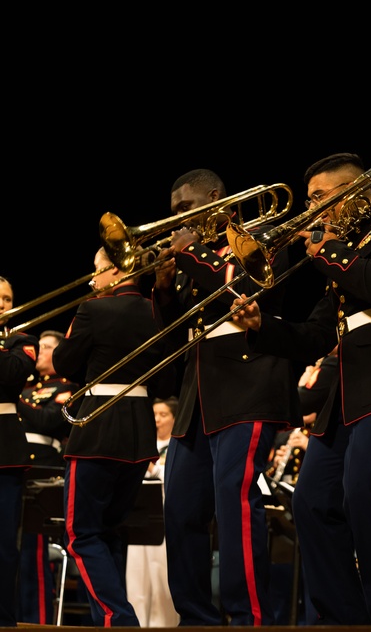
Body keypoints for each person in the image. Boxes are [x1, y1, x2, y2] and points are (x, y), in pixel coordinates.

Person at [231, 151, 371, 625]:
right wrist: (260, 324)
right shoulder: (346, 251)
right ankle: (340, 618)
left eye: (318, 198)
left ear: (356, 192)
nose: (309, 210)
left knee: (363, 492)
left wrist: (328, 250)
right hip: (350, 391)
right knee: (311, 501)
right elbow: (315, 335)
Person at [153, 168, 301, 626]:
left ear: (216, 199)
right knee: (179, 509)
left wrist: (188, 254)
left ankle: (246, 618)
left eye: (184, 209)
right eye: (174, 211)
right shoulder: (188, 260)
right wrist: (161, 288)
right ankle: (196, 617)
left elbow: (238, 287)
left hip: (247, 382)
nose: (176, 220)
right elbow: (170, 337)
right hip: (197, 394)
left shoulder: (255, 235)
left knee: (233, 503)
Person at [50, 248, 173, 627]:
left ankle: (116, 619)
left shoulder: (94, 309)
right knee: (109, 531)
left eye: (98, 270)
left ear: (119, 269)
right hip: (138, 429)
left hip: (98, 426)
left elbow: (62, 363)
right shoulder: (158, 309)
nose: (93, 279)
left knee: (80, 533)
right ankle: (110, 619)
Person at [17, 329, 77, 624]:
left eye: (46, 347)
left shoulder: (66, 388)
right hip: (12, 461)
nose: (38, 352)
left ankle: (37, 622)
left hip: (42, 469)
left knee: (33, 553)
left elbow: (49, 420)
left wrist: (12, 400)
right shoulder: (25, 388)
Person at [0, 276, 38, 627]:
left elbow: (10, 373)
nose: (2, 304)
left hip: (5, 450)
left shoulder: (23, 339)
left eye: (6, 298)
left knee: (3, 543)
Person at [125, 396, 180, 628]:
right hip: (139, 516)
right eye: (154, 415)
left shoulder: (177, 447)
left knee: (161, 578)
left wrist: (154, 467)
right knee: (136, 576)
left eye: (163, 415)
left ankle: (164, 624)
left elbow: (175, 479)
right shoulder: (144, 445)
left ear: (175, 419)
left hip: (165, 518)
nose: (157, 420)